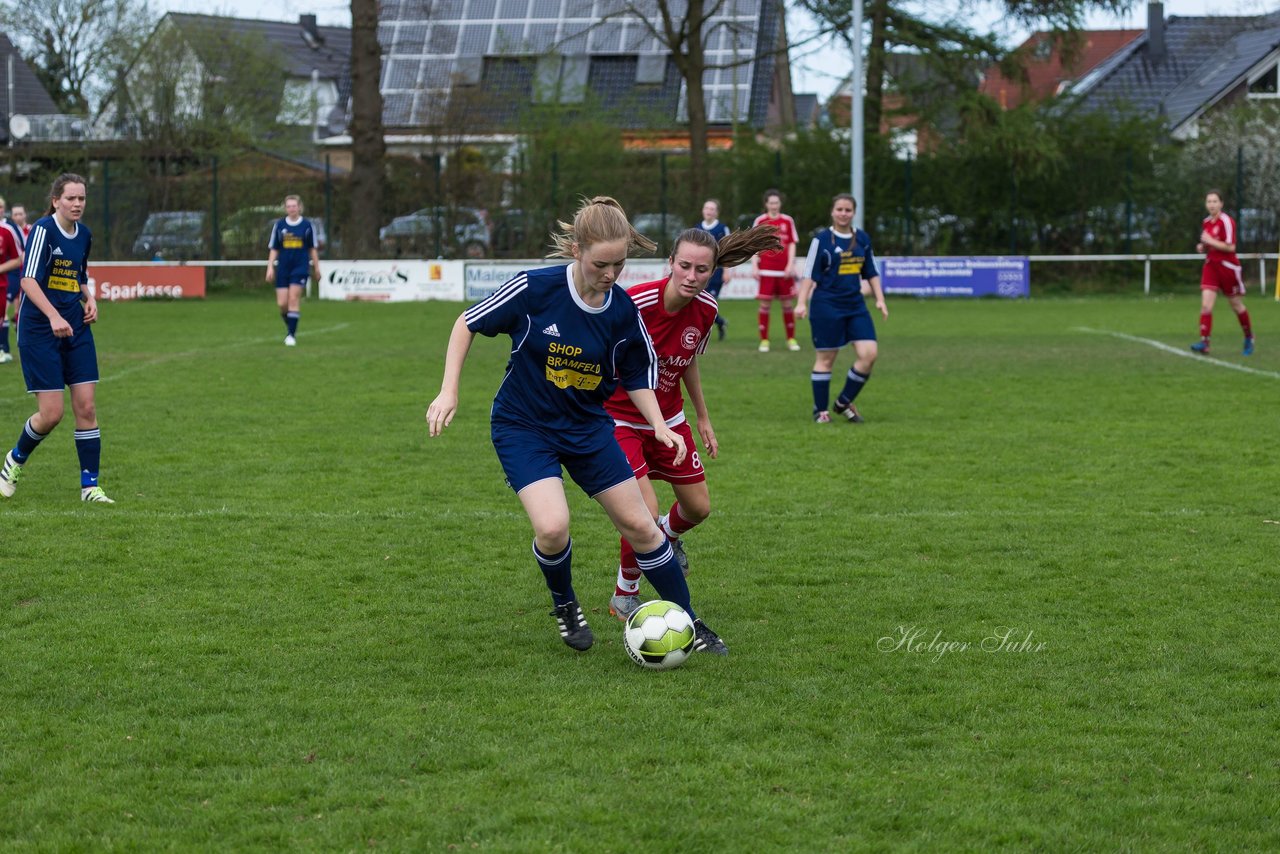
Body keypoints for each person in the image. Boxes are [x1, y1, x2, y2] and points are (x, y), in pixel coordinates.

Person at [426, 196, 729, 655]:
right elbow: (466, 323)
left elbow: (636, 374)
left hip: (587, 428)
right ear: (576, 251)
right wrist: (449, 390)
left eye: (620, 264)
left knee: (644, 528)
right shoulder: (534, 288)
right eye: (600, 264)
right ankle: (566, 605)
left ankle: (689, 620)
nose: (610, 275)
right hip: (524, 426)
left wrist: (660, 425)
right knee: (553, 528)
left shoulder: (622, 311)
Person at [606, 224, 781, 621]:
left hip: (670, 418)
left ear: (713, 271)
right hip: (619, 419)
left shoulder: (707, 309)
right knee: (644, 513)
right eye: (684, 266)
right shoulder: (634, 303)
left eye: (702, 270)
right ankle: (625, 593)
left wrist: (702, 416)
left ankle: (667, 539)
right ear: (670, 263)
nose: (691, 276)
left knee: (699, 508)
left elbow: (687, 362)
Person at [0, 174, 113, 503]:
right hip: (39, 331)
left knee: (87, 407)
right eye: (71, 199)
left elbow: (79, 275)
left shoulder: (85, 235)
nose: (77, 204)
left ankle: (90, 487)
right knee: (51, 414)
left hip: (75, 328)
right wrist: (52, 316)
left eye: (82, 198)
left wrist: (88, 298)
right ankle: (14, 461)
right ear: (55, 201)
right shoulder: (42, 230)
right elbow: (28, 281)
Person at [794, 193, 888, 424]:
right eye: (839, 209)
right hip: (826, 305)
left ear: (853, 212)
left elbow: (872, 272)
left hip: (855, 305)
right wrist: (801, 302)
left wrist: (880, 299)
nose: (843, 214)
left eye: (848, 210)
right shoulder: (822, 240)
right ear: (832, 212)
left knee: (869, 354)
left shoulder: (863, 239)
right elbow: (808, 274)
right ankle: (821, 411)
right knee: (827, 358)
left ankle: (843, 402)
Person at [1191, 190, 1253, 356]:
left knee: (1236, 305)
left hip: (1228, 267)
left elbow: (1230, 247)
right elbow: (1208, 245)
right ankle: (1205, 343)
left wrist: (1211, 241)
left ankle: (1248, 338)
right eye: (1209, 201)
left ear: (1221, 204)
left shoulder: (1227, 221)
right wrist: (1202, 247)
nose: (1211, 204)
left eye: (1214, 201)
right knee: (1206, 305)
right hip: (1211, 265)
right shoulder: (1206, 222)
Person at [266, 195, 321, 347]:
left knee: (293, 299)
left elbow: (312, 248)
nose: (291, 209)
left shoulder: (307, 226)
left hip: (300, 267)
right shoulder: (279, 225)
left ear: (299, 207)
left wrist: (317, 268)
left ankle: (291, 335)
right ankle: (291, 324)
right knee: (282, 303)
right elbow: (274, 248)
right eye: (289, 206)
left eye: (294, 206)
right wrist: (270, 267)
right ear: (285, 208)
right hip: (283, 267)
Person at [751, 189, 800, 352]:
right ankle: (764, 340)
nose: (774, 205)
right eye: (771, 202)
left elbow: (792, 243)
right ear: (766, 204)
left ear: (780, 204)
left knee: (787, 304)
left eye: (776, 202)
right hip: (766, 270)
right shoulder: (760, 220)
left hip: (784, 271)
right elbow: (754, 244)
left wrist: (790, 264)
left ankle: (791, 339)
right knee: (765, 305)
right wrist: (754, 265)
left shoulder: (787, 221)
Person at [695, 199, 731, 340]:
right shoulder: (697, 227)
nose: (709, 211)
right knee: (698, 303)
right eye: (707, 208)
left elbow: (726, 251)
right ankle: (721, 323)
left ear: (716, 212)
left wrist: (727, 271)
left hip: (716, 273)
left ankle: (702, 334)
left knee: (708, 304)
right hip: (699, 272)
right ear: (703, 210)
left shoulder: (722, 229)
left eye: (712, 209)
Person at [0, 197, 25, 365]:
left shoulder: (9, 230)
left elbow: (19, 257)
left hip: (14, 275)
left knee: (14, 309)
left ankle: (6, 348)